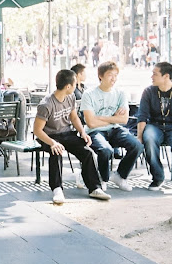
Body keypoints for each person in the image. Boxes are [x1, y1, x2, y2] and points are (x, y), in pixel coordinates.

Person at [33, 69, 110, 204]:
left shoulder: (71, 97)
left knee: (88, 152)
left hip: (67, 133)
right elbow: (37, 130)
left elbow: (74, 118)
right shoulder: (46, 104)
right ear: (68, 86)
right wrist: (52, 143)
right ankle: (57, 189)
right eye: (75, 84)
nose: (76, 87)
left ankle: (94, 188)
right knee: (56, 152)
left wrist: (82, 132)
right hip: (49, 136)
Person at [80, 61, 143, 191]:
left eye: (115, 75)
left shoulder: (120, 94)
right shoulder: (89, 94)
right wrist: (114, 118)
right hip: (94, 132)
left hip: (115, 129)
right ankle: (103, 178)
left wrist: (100, 117)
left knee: (137, 145)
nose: (113, 78)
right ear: (100, 76)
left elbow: (124, 119)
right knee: (105, 150)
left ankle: (120, 175)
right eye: (110, 75)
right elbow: (91, 123)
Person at [137, 62, 172, 190]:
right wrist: (139, 137)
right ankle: (158, 177)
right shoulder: (149, 91)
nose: (152, 77)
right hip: (154, 126)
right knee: (149, 139)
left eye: (155, 74)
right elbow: (142, 116)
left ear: (166, 76)